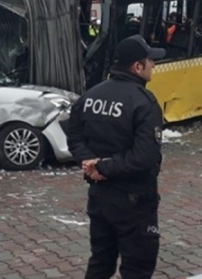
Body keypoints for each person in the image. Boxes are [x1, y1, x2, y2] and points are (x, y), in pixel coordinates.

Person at [66, 34, 164, 279]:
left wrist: (91, 164)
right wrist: (103, 166)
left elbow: (74, 136)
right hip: (134, 199)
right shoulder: (144, 103)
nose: (154, 65)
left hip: (99, 196)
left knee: (100, 261)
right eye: (150, 61)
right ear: (137, 67)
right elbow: (144, 157)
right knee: (137, 268)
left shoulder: (90, 95)